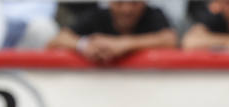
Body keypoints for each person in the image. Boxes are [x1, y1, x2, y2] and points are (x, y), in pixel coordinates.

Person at [49, 0, 177, 64]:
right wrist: (84, 45)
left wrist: (124, 44)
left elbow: (170, 40)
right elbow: (56, 41)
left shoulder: (154, 15)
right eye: (120, 3)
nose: (127, 10)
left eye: (134, 3)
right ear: (110, 3)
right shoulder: (96, 15)